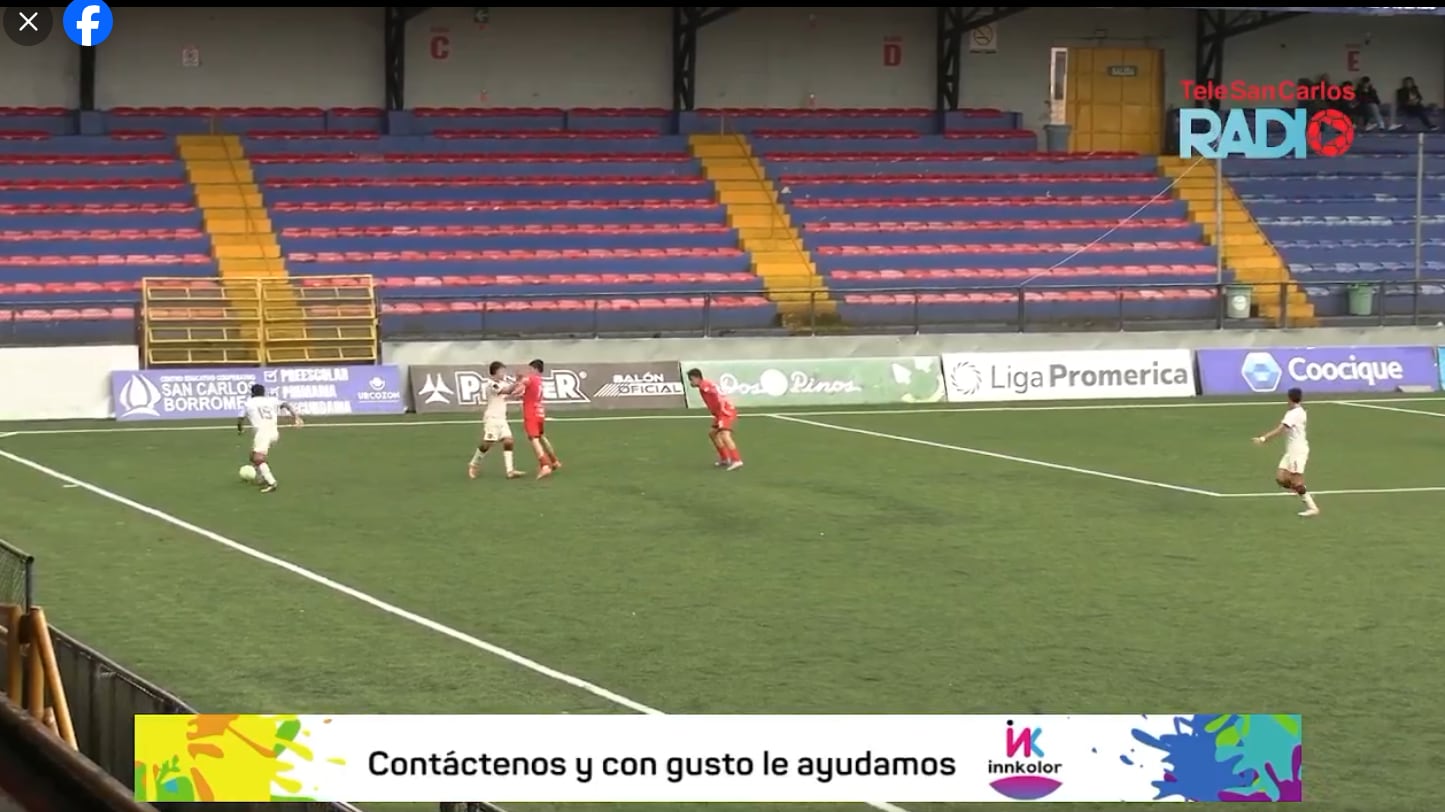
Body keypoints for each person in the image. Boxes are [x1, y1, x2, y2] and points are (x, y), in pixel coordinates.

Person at [1251, 387, 1318, 517]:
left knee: (1297, 481)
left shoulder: (1293, 414)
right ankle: (1303, 492)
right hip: (1291, 451)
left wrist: (1263, 439)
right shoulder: (1299, 411)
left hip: (1298, 451)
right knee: (1281, 478)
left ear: (1289, 398)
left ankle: (1312, 507)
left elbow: (1280, 429)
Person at [236, 383, 302, 494]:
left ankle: (271, 482)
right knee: (253, 455)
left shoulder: (249, 403)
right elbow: (286, 404)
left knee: (258, 458)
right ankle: (261, 478)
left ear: (252, 393)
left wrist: (240, 429)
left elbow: (240, 418)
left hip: (263, 432)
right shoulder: (271, 400)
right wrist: (296, 417)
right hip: (273, 431)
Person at [468, 361, 525, 480]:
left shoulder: (503, 383)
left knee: (508, 441)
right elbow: (506, 391)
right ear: (495, 372)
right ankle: (473, 464)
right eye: (501, 371)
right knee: (487, 443)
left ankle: (510, 471)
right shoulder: (491, 384)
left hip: (502, 418)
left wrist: (519, 391)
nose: (503, 373)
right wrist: (517, 381)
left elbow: (510, 393)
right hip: (492, 418)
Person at [512, 359, 561, 479]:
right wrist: (521, 396)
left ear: (534, 368)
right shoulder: (540, 381)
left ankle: (545, 465)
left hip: (531, 413)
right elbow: (528, 394)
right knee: (541, 436)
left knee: (534, 439)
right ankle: (554, 461)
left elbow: (519, 387)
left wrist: (517, 382)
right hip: (540, 411)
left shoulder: (531, 378)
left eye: (530, 369)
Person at [686, 368, 743, 471]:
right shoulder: (703, 386)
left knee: (724, 435)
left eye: (691, 379)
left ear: (696, 378)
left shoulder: (705, 386)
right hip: (719, 414)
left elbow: (718, 395)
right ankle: (725, 458)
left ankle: (737, 460)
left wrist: (722, 409)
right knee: (712, 433)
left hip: (725, 412)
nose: (691, 382)